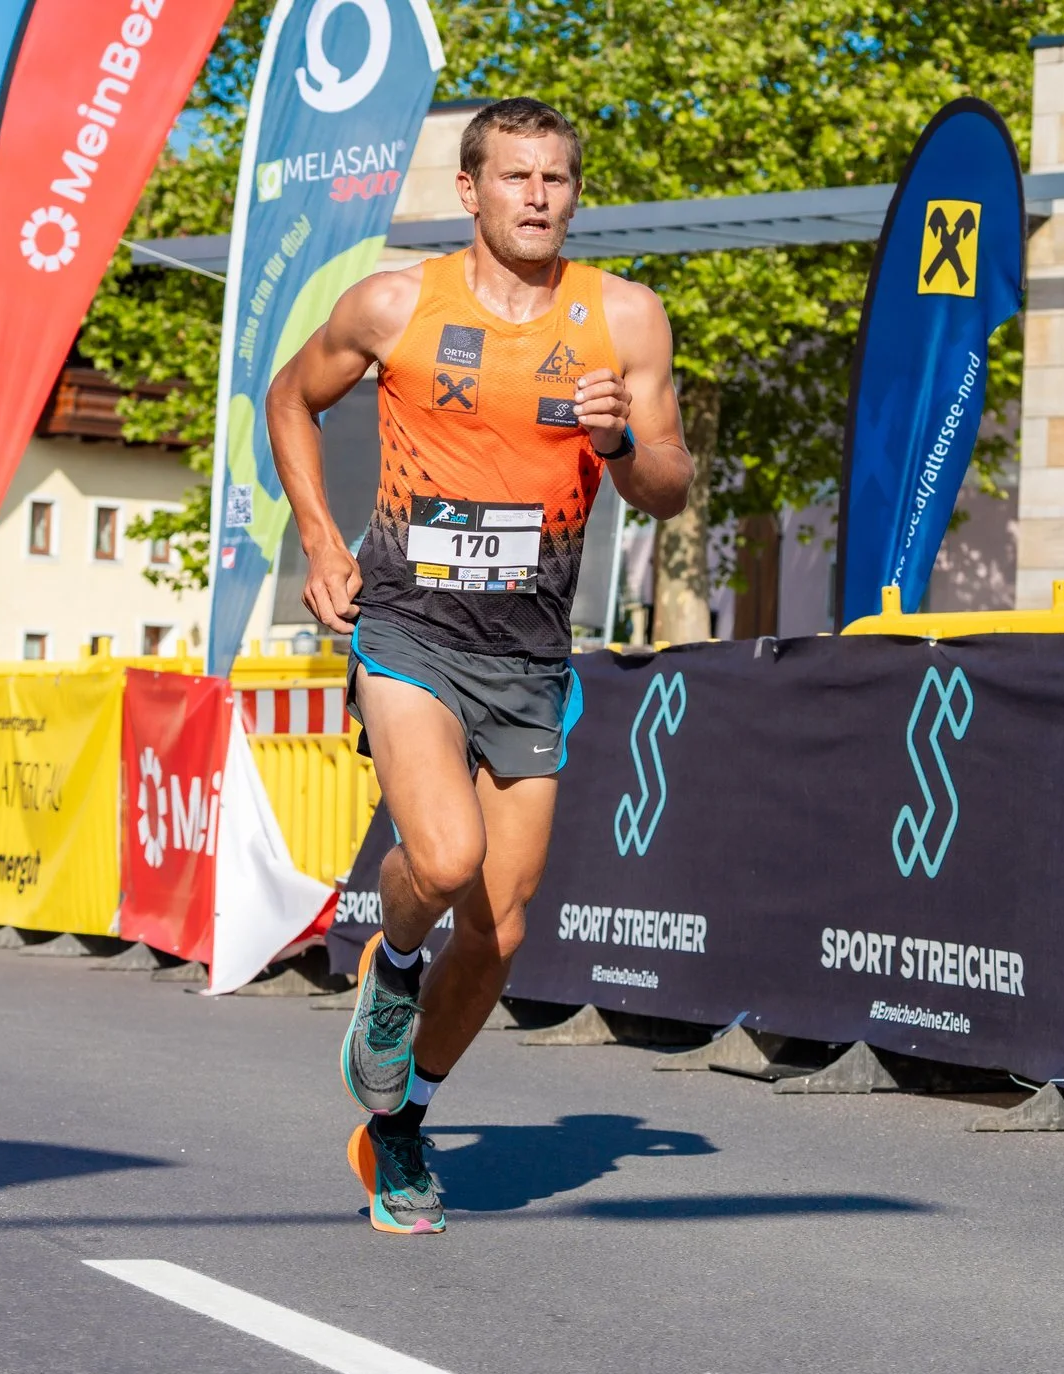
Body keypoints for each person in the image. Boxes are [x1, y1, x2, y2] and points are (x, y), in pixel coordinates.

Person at [267, 97, 695, 1234]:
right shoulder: (395, 303)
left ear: (575, 194)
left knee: (501, 929)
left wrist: (617, 440)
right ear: (470, 190)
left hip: (530, 648)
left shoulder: (624, 317)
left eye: (556, 178)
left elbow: (667, 484)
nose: (538, 196)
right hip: (409, 627)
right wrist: (320, 537)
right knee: (446, 856)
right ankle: (392, 960)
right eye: (515, 175)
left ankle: (400, 1126)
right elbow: (291, 398)